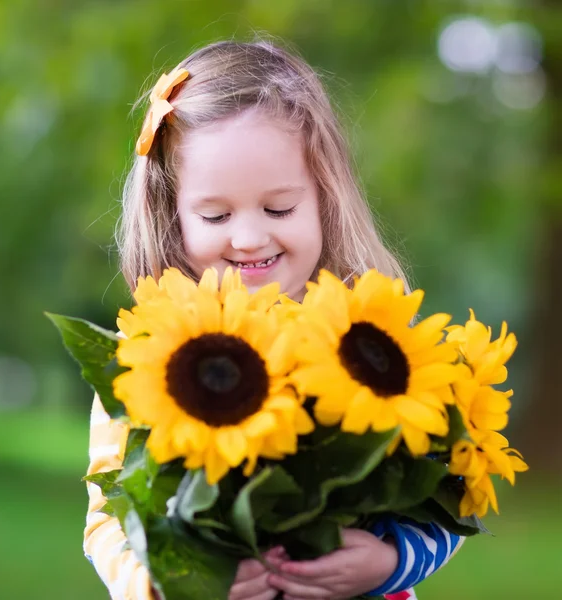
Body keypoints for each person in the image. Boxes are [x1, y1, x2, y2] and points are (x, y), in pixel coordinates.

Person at [83, 40, 464, 600]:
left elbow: (448, 486)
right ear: (173, 212)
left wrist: (390, 561)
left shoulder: (377, 347)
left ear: (324, 199)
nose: (249, 238)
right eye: (216, 214)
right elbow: (108, 519)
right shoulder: (145, 356)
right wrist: (165, 584)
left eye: (279, 208)